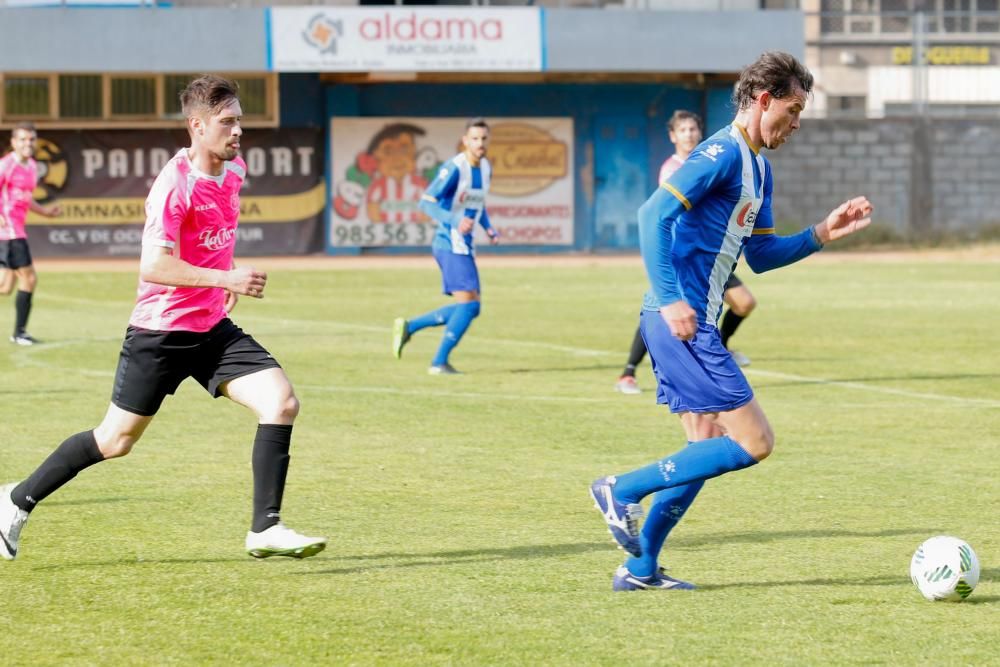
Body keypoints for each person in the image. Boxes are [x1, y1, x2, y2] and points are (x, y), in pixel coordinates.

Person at [0, 76, 326, 562]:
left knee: (281, 403)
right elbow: (153, 267)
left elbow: (219, 236)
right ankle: (15, 501)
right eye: (228, 121)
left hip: (211, 329)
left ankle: (265, 527)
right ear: (197, 126)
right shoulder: (173, 186)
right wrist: (224, 280)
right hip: (160, 332)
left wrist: (221, 283)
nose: (238, 130)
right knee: (115, 441)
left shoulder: (235, 171)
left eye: (240, 120)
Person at [591, 51, 872, 591]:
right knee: (755, 441)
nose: (794, 126)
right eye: (791, 111)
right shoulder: (720, 151)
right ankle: (620, 489)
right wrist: (673, 299)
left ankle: (640, 567)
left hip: (688, 324)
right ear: (763, 100)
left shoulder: (759, 169)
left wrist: (820, 233)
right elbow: (653, 215)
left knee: (704, 445)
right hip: (682, 322)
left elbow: (762, 257)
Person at [615, 110, 756, 395]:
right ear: (672, 136)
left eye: (693, 128)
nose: (689, 134)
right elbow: (662, 213)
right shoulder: (675, 168)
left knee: (744, 303)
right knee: (663, 309)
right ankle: (628, 372)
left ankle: (722, 348)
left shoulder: (711, 161)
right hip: (685, 255)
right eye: (683, 130)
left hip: (711, 255)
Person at [392, 117, 500, 375]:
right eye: (474, 138)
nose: (480, 143)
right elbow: (426, 201)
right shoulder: (455, 167)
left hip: (465, 244)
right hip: (449, 243)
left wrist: (488, 227)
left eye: (484, 138)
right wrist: (453, 220)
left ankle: (410, 327)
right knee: (470, 305)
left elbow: (477, 204)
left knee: (471, 306)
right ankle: (438, 362)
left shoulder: (485, 168)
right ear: (465, 141)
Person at [0, 122, 62, 346]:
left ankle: (18, 333)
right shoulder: (5, 166)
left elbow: (26, 198)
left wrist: (46, 212)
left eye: (31, 139)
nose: (28, 143)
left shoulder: (33, 167)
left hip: (15, 230)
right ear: (13, 143)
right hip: (9, 232)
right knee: (29, 278)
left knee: (6, 287)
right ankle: (19, 333)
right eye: (23, 139)